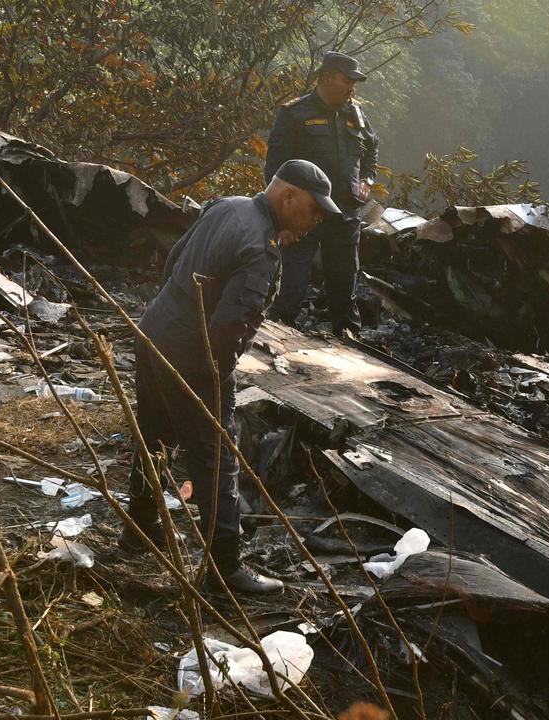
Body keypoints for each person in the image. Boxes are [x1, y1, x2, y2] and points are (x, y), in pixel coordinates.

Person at [120, 160, 338, 596]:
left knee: (155, 438)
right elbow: (227, 330)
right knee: (218, 457)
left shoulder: (229, 206)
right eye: (314, 210)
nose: (316, 221)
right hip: (193, 358)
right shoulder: (260, 247)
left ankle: (139, 530)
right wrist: (220, 381)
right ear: (289, 196)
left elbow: (175, 261)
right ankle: (225, 569)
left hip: (155, 330)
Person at [264, 51, 380, 337]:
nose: (352, 88)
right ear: (326, 78)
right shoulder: (295, 113)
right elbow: (275, 170)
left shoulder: (356, 114)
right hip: (305, 214)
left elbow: (372, 149)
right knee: (291, 283)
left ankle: (349, 340)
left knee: (344, 282)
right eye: (347, 80)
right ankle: (275, 337)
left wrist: (367, 179)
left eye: (355, 82)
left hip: (346, 213)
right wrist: (282, 220)